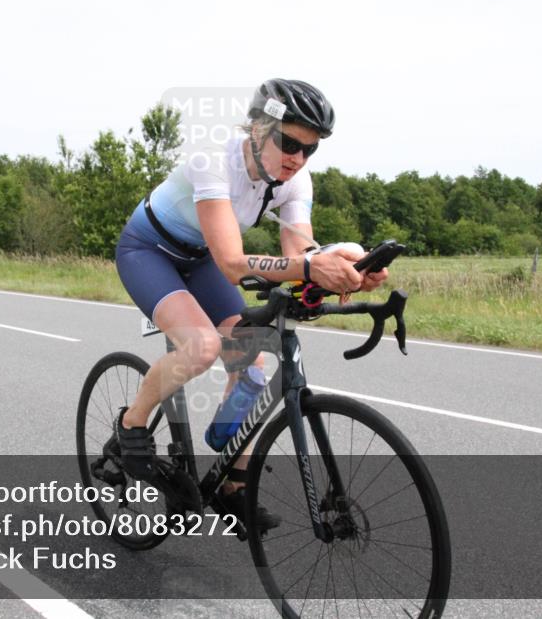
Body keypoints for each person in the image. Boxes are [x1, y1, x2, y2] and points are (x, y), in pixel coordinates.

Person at [112, 79, 388, 529]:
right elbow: (234, 264)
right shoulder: (213, 159)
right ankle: (132, 424)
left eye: (309, 150)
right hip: (150, 251)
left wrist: (351, 270)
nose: (297, 159)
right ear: (259, 128)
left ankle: (231, 483)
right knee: (201, 348)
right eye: (289, 143)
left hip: (199, 258)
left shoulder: (294, 182)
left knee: (253, 363)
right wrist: (312, 267)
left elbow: (301, 255)